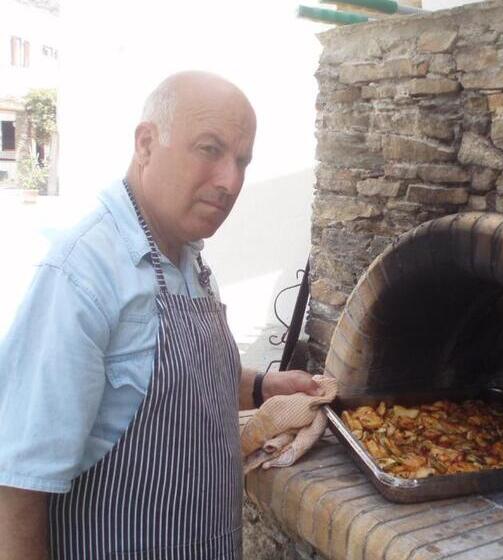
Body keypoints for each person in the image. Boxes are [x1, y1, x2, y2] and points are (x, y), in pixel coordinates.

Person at [0, 71, 319, 559]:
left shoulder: (189, 259)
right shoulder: (83, 276)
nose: (230, 181)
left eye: (242, 161)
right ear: (146, 144)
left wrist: (263, 387)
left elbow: (179, 383)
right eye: (210, 149)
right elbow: (18, 487)